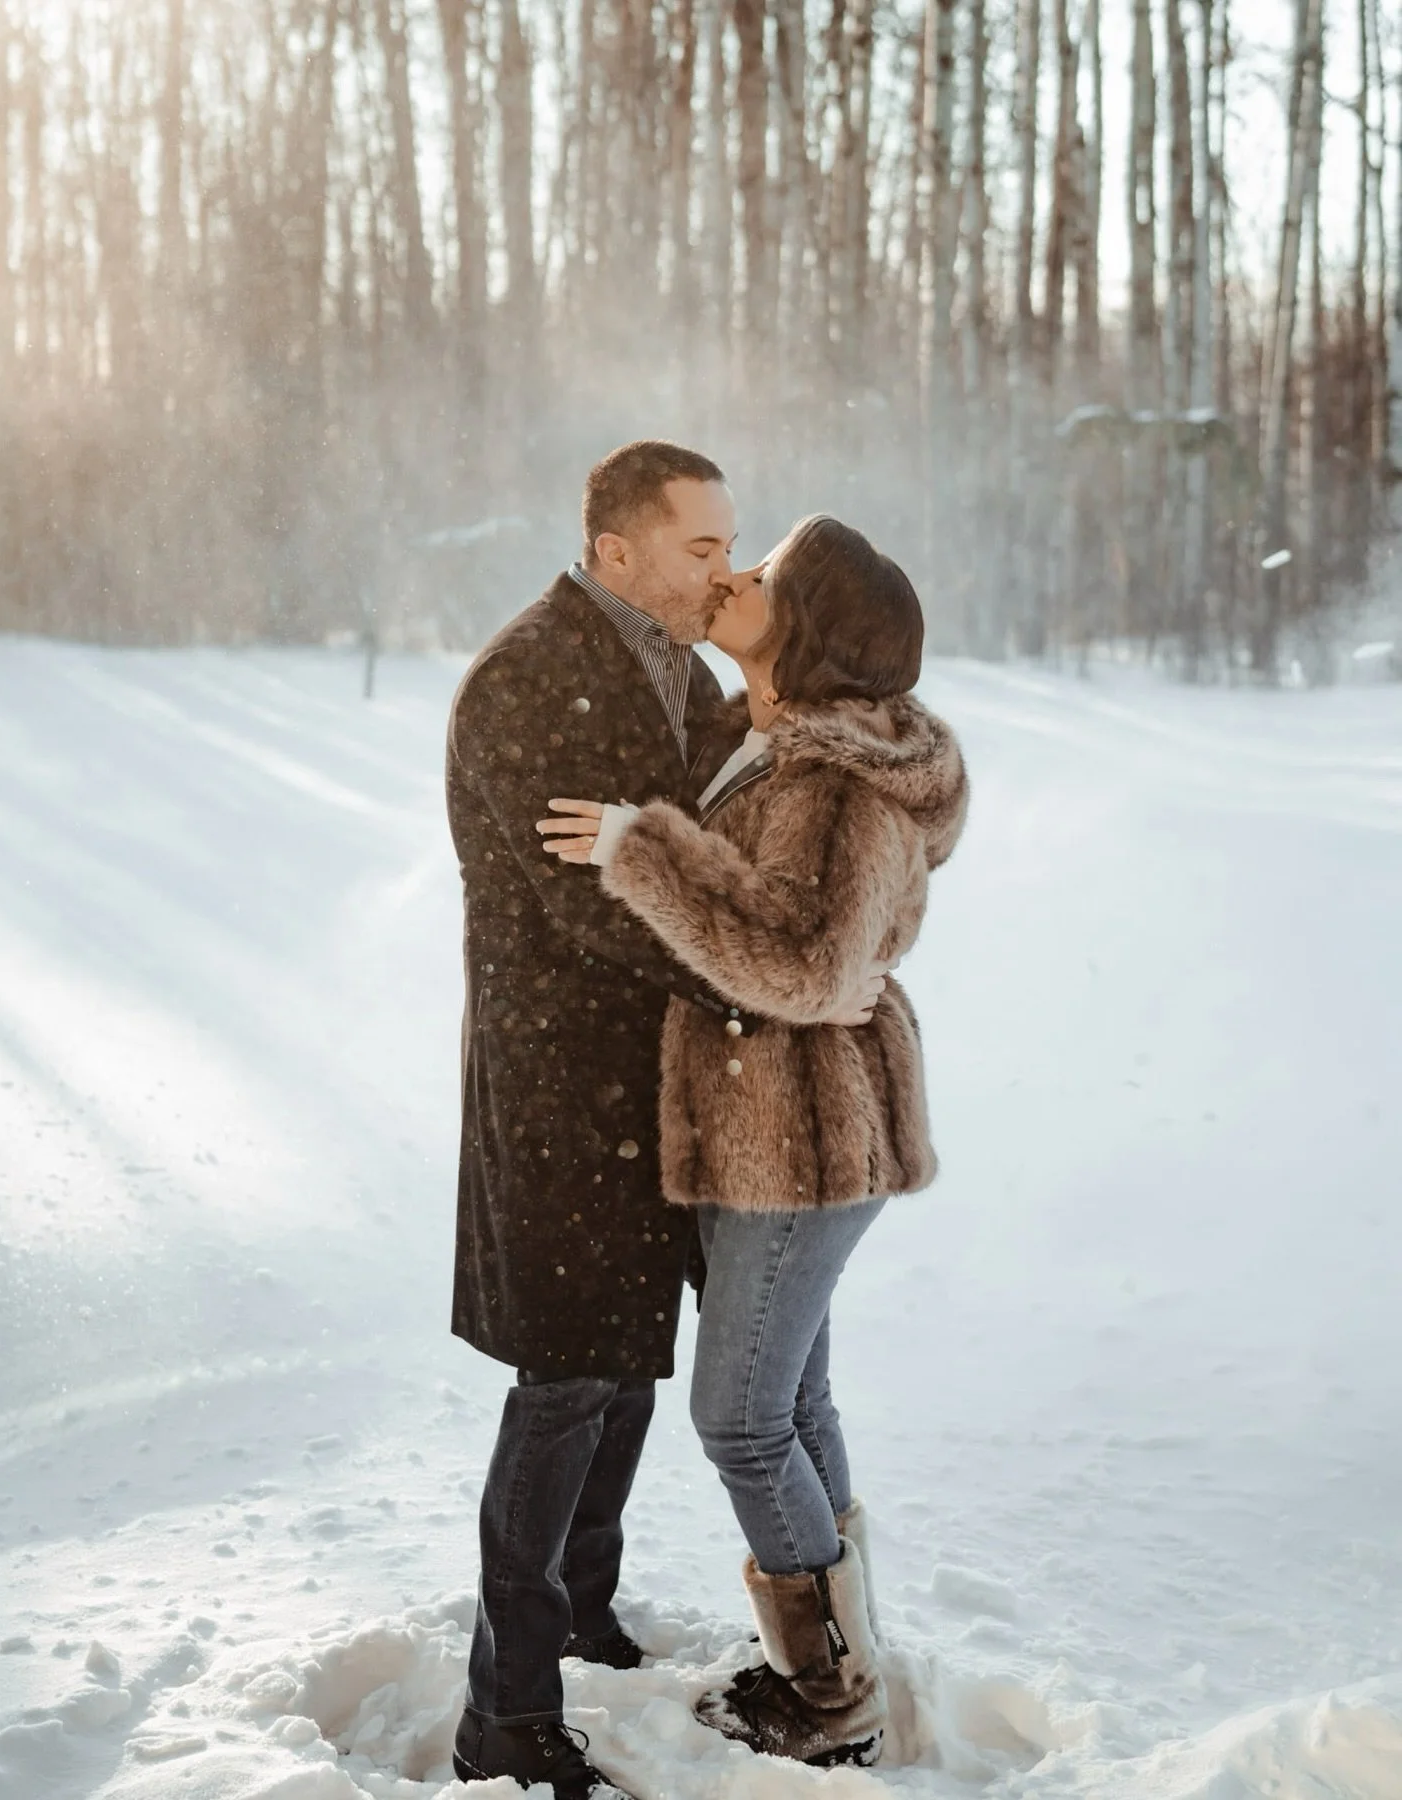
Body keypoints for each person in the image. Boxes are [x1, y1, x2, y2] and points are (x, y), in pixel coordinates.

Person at [445, 449, 884, 1799]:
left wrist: (788, 939)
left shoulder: (680, 671)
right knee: (568, 1379)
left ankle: (586, 1610)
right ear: (617, 547)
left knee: (626, 1368)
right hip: (564, 1095)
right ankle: (504, 1713)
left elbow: (726, 859)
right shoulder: (528, 678)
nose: (723, 569)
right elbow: (596, 908)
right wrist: (788, 970)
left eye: (731, 544)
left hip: (669, 1096)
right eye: (702, 546)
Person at [541, 514, 969, 1771]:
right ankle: (849, 1663)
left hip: (806, 1138)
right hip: (767, 1127)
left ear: (808, 628)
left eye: (767, 575)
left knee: (738, 1418)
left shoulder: (839, 785)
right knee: (795, 1399)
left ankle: (830, 1699)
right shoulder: (768, 743)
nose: (735, 577)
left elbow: (804, 961)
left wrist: (643, 850)